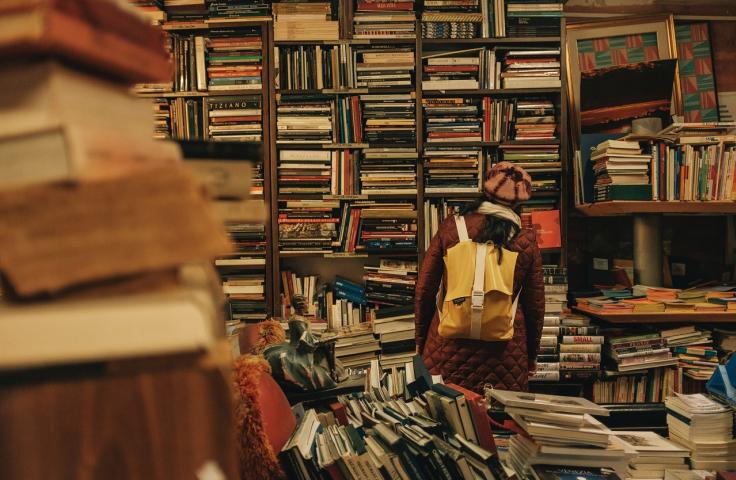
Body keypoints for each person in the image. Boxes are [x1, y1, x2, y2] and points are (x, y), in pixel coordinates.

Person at [415, 162, 545, 393]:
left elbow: (425, 289)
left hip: (446, 348)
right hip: (506, 353)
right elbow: (535, 306)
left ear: (484, 190)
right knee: (501, 423)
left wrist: (421, 340)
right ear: (519, 202)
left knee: (444, 419)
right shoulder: (526, 239)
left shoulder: (451, 228)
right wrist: (531, 355)